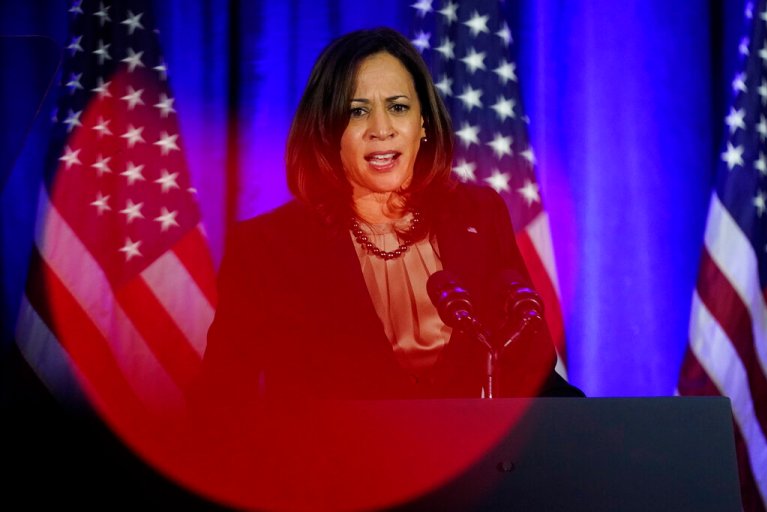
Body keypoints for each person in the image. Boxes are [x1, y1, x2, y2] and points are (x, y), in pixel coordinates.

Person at [193, 27, 583, 409]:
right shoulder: (268, 246)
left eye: (398, 107)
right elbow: (223, 400)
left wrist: (603, 432)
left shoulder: (479, 216)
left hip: (471, 470)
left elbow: (531, 372)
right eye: (357, 111)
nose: (381, 130)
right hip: (336, 471)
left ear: (423, 123)